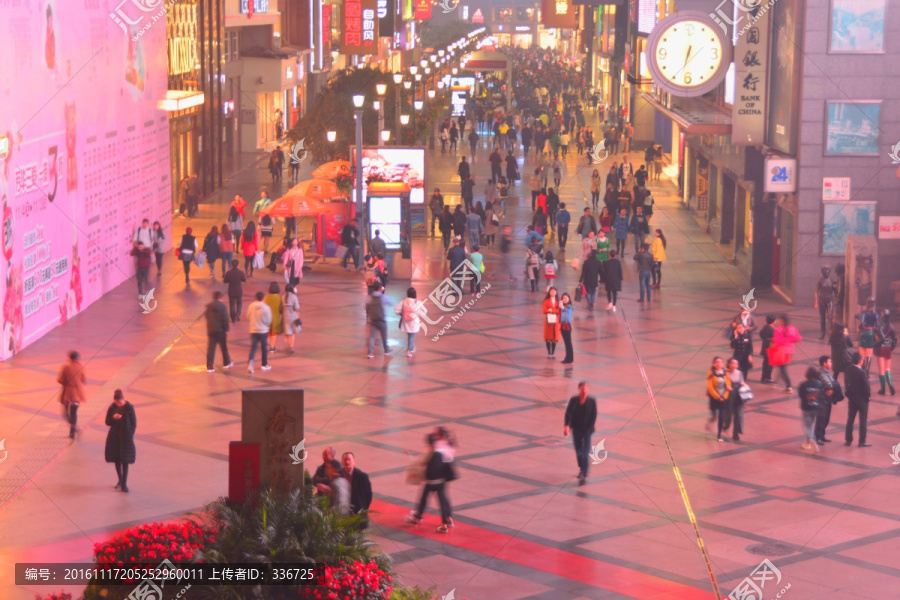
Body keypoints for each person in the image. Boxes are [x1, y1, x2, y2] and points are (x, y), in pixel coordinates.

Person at [405, 433, 456, 533]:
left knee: (423, 499)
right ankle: (446, 523)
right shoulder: (441, 452)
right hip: (441, 482)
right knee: (443, 502)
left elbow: (419, 464)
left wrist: (409, 456)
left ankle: (416, 518)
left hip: (431, 482)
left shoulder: (429, 453)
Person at [563, 381, 598, 485]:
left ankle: (583, 472)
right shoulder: (574, 400)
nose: (584, 389)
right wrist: (566, 425)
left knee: (585, 451)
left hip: (587, 430)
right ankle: (581, 465)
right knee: (579, 451)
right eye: (582, 388)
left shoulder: (592, 401)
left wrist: (590, 427)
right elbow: (568, 413)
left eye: (586, 387)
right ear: (579, 389)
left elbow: (593, 415)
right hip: (576, 429)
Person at [105, 389, 136, 492]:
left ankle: (124, 484)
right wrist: (113, 417)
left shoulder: (129, 408)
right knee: (117, 459)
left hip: (125, 438)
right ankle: (120, 480)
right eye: (116, 402)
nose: (118, 404)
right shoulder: (112, 407)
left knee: (125, 461)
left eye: (120, 402)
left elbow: (134, 423)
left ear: (123, 399)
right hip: (114, 438)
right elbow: (107, 422)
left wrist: (130, 434)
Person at [57, 351, 86, 439]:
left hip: (68, 394)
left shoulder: (66, 367)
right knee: (74, 413)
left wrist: (67, 383)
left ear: (70, 358)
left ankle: (74, 427)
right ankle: (72, 433)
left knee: (65, 413)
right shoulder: (81, 367)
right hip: (78, 394)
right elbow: (83, 380)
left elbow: (60, 380)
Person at [769, 315, 802, 392]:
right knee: (782, 367)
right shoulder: (792, 328)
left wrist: (773, 341)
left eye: (779, 320)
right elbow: (798, 338)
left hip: (781, 351)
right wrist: (789, 341)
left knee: (782, 368)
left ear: (782, 321)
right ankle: (776, 382)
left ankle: (788, 386)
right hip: (789, 351)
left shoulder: (779, 329)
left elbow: (777, 341)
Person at [844, 351, 871, 447]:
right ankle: (862, 441)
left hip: (852, 398)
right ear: (860, 361)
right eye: (863, 359)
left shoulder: (848, 369)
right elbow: (866, 387)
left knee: (850, 419)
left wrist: (848, 393)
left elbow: (846, 383)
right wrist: (868, 397)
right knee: (862, 420)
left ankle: (848, 440)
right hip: (862, 400)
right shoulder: (862, 373)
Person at [342, 452, 373, 529]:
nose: (347, 462)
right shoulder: (339, 475)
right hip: (343, 513)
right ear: (342, 462)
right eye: (345, 460)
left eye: (349, 459)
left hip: (358, 514)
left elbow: (368, 495)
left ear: (354, 461)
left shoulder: (362, 477)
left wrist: (362, 509)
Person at [204, 291, 233, 373]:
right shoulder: (223, 306)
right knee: (224, 348)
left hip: (211, 330)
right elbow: (225, 319)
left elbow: (206, 316)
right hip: (221, 331)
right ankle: (226, 363)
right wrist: (226, 328)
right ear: (220, 298)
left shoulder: (209, 306)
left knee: (211, 349)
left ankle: (210, 366)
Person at [816, 355, 842, 444]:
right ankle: (817, 437)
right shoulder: (821, 373)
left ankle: (822, 435)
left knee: (826, 419)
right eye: (829, 362)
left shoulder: (827, 372)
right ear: (824, 363)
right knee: (821, 419)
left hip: (827, 399)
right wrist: (832, 387)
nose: (831, 364)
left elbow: (833, 383)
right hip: (822, 399)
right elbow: (830, 384)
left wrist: (833, 387)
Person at [706, 357, 732, 442]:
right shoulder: (710, 373)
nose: (718, 364)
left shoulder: (726, 373)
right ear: (714, 364)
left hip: (723, 399)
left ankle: (719, 435)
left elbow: (728, 385)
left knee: (721, 416)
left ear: (723, 364)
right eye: (717, 362)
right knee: (714, 416)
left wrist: (723, 396)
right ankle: (709, 425)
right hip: (714, 399)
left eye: (720, 362)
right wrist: (718, 397)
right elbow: (710, 388)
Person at [247, 291, 273, 374]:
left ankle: (251, 363)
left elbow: (248, 316)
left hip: (253, 330)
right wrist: (265, 324)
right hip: (263, 331)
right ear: (263, 298)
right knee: (264, 348)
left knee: (253, 348)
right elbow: (269, 320)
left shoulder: (251, 306)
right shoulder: (266, 307)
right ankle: (264, 364)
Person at [798, 366, 822, 453]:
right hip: (815, 407)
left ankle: (813, 441)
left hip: (806, 407)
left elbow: (801, 395)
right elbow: (820, 395)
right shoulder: (819, 384)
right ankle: (808, 442)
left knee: (807, 426)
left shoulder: (803, 384)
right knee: (811, 424)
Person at [395, 287, 424, 357]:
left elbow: (396, 310)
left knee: (410, 335)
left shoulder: (403, 301)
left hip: (406, 322)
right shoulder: (418, 302)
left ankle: (411, 347)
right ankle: (409, 350)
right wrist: (418, 314)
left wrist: (401, 314)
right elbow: (425, 311)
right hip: (414, 322)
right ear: (415, 294)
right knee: (411, 335)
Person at [366, 281, 392, 359]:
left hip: (373, 320)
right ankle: (386, 350)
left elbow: (366, 307)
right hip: (382, 319)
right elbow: (391, 303)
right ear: (380, 288)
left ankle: (370, 353)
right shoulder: (383, 297)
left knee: (372, 337)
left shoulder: (369, 297)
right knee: (384, 336)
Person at [875, 310, 897, 395]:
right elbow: (894, 339)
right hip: (887, 348)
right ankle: (890, 384)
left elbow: (878, 337)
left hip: (880, 348)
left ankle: (883, 389)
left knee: (881, 370)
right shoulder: (892, 327)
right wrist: (891, 348)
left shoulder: (879, 326)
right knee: (888, 368)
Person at [726, 358, 746, 441]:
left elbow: (742, 382)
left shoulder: (740, 373)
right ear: (728, 365)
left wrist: (743, 384)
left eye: (736, 364)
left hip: (738, 397)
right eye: (732, 363)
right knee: (728, 414)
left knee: (739, 415)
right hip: (729, 397)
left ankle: (736, 433)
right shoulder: (726, 374)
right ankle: (725, 426)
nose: (734, 365)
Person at [815, 266, 837, 340]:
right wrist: (816, 302)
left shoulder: (832, 280)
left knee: (830, 317)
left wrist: (837, 299)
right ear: (823, 272)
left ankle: (830, 333)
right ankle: (823, 332)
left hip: (830, 300)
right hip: (822, 300)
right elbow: (816, 292)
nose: (827, 272)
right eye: (825, 271)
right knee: (822, 317)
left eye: (828, 271)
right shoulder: (820, 281)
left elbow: (836, 291)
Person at [858, 298, 878, 376]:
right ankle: (867, 370)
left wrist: (859, 328)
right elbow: (877, 325)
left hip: (864, 332)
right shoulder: (875, 313)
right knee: (869, 353)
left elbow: (862, 323)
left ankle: (862, 369)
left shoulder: (863, 313)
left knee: (862, 352)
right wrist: (875, 333)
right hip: (871, 332)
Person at [280, 284, 301, 353]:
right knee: (292, 332)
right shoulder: (294, 297)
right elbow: (297, 308)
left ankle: (287, 343)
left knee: (286, 331)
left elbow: (281, 308)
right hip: (292, 316)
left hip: (285, 315)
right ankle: (291, 347)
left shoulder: (282, 297)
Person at [264, 282, 284, 354]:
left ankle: (267, 345)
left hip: (267, 318)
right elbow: (281, 309)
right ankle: (272, 347)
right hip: (275, 317)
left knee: (268, 332)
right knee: (274, 333)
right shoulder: (279, 298)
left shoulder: (266, 297)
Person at [542, 287, 561, 358]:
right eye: (551, 292)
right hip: (548, 322)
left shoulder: (559, 301)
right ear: (549, 292)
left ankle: (552, 352)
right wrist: (554, 310)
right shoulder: (546, 301)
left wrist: (550, 310)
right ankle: (549, 353)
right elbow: (544, 310)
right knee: (548, 337)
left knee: (554, 338)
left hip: (556, 322)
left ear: (556, 292)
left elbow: (559, 310)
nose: (553, 293)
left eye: (554, 292)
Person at [759, 314, 777, 383]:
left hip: (764, 347)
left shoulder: (765, 327)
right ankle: (768, 378)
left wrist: (766, 339)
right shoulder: (773, 330)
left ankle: (763, 377)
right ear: (773, 321)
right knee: (770, 364)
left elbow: (761, 334)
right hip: (771, 348)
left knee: (765, 363)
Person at [560, 292, 574, 364]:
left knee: (568, 342)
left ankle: (569, 358)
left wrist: (562, 307)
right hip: (562, 325)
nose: (565, 299)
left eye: (566, 298)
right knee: (566, 342)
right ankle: (568, 357)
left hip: (567, 326)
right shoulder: (563, 306)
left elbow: (566, 314)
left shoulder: (569, 306)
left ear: (569, 299)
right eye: (563, 298)